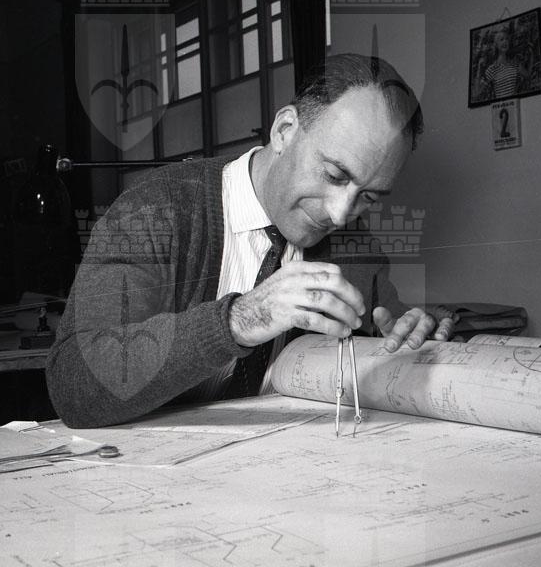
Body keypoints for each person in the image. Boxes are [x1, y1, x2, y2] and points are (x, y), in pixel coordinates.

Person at [46, 53, 456, 428]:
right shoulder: (154, 210)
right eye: (333, 175)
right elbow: (73, 384)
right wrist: (241, 319)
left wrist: (410, 337)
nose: (339, 214)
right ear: (284, 131)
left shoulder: (355, 245)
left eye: (368, 196)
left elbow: (390, 328)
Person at [473, 27, 533, 101]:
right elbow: (477, 92)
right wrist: (479, 68)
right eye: (501, 39)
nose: (505, 41)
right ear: (496, 45)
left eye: (507, 39)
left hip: (514, 104)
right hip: (500, 105)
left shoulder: (515, 63)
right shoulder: (492, 69)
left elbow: (528, 76)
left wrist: (531, 55)